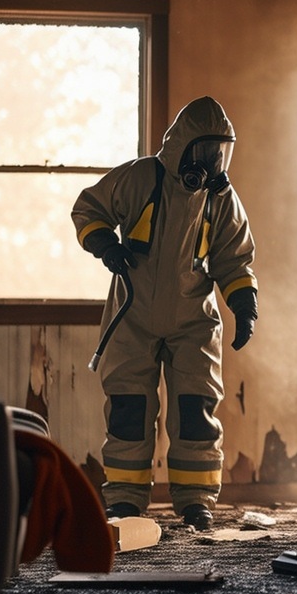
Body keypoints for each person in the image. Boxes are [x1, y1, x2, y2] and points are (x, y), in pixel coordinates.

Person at [72, 96, 258, 531]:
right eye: (205, 154)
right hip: (131, 314)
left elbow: (235, 261)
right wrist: (104, 244)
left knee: (196, 410)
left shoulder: (221, 199)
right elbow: (88, 208)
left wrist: (243, 306)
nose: (212, 165)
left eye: (220, 154)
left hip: (194, 321)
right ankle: (124, 502)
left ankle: (196, 501)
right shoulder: (140, 177)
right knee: (128, 408)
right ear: (182, 149)